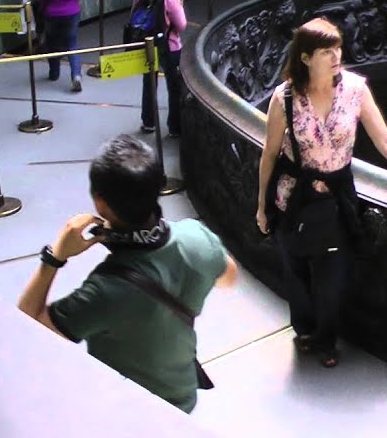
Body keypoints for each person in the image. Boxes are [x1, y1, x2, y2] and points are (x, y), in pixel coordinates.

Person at [254, 18, 387, 368]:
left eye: (338, 49)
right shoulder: (285, 97)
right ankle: (304, 330)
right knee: (295, 267)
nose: (336, 57)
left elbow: (386, 140)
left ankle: (325, 338)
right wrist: (261, 206)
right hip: (293, 196)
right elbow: (270, 152)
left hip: (336, 199)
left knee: (334, 274)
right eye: (325, 51)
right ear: (305, 58)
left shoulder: (355, 90)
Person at [18, 135, 238, 413]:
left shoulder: (104, 290)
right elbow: (229, 277)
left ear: (100, 203)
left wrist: (55, 256)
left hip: (129, 412)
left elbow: (23, 324)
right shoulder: (196, 238)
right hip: (182, 396)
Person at [134, 0, 188, 137]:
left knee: (149, 83)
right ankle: (174, 127)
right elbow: (181, 26)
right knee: (174, 87)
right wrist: (180, 6)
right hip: (169, 47)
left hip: (146, 44)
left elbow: (134, 14)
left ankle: (148, 122)